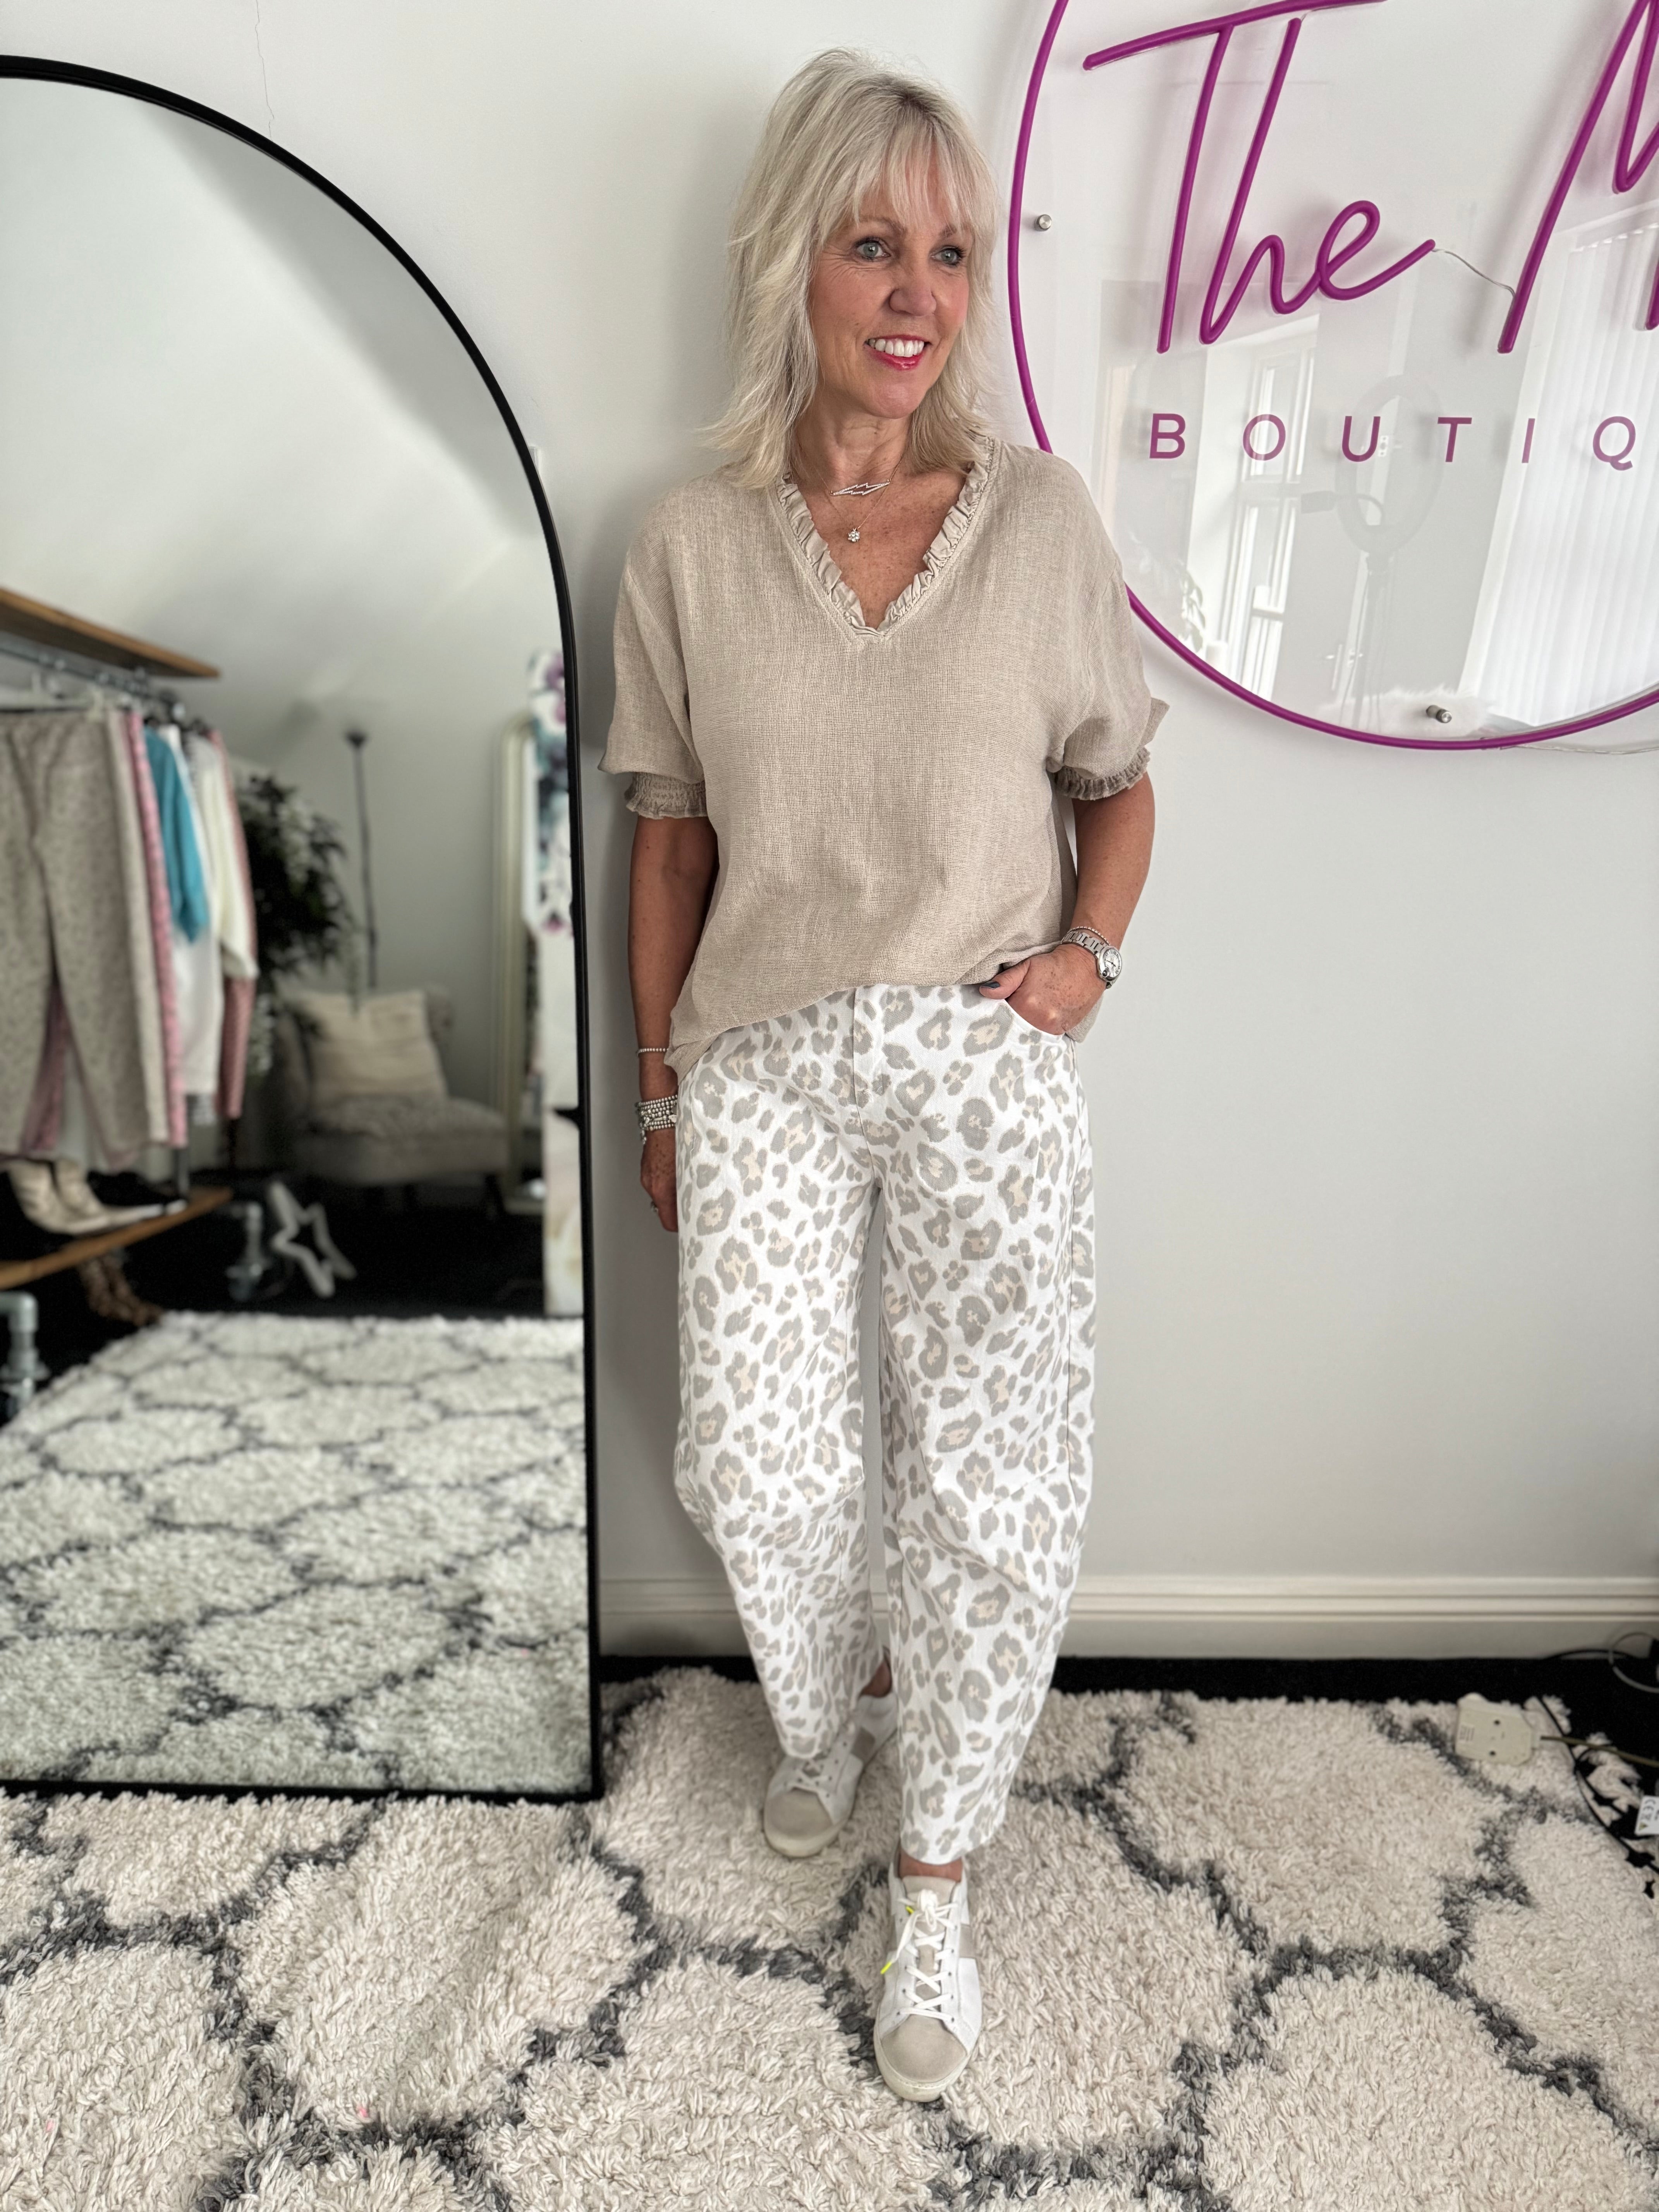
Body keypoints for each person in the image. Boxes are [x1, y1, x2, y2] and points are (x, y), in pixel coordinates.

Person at [602, 47, 1163, 2103]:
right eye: (872, 245)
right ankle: (829, 1707)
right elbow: (672, 844)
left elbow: (1117, 783)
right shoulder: (688, 547)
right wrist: (661, 1088)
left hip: (978, 1050)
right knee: (759, 1457)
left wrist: (1087, 962)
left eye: (950, 251)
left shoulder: (1041, 523)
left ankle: (936, 1881)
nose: (918, 293)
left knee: (991, 1471)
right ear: (797, 264)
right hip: (757, 1054)